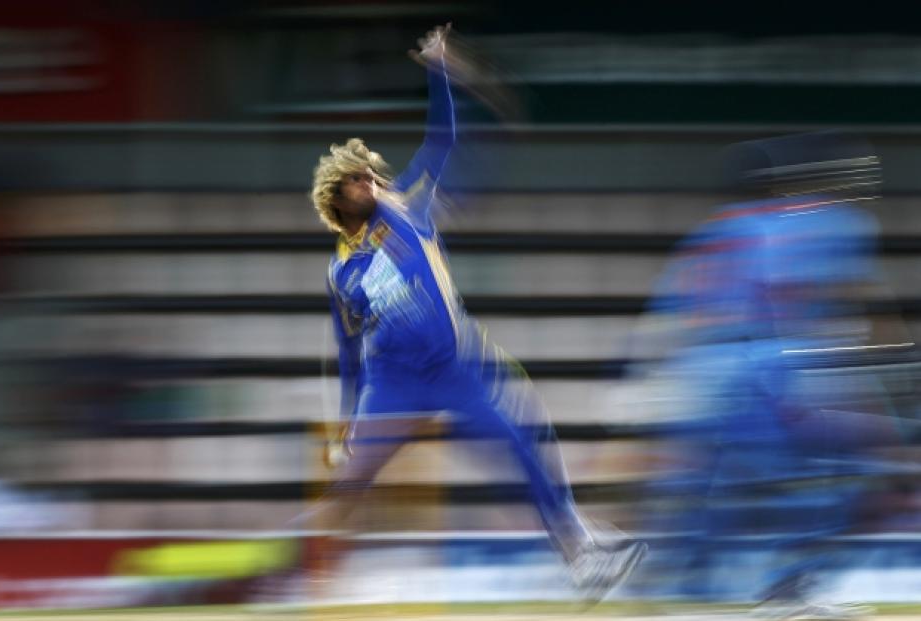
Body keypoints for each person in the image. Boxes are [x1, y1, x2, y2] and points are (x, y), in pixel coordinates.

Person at [296, 23, 646, 603]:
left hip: (456, 367)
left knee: (524, 440)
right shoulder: (341, 272)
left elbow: (445, 141)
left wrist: (439, 69)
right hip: (393, 381)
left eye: (371, 172)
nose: (372, 180)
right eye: (358, 179)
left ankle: (580, 555)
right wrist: (347, 422)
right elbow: (349, 351)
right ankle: (312, 578)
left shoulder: (410, 208)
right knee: (351, 480)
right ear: (338, 199)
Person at [634, 131, 910, 618]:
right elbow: (836, 297)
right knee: (848, 465)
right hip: (765, 365)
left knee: (706, 489)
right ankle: (790, 585)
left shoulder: (709, 234)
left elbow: (672, 317)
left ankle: (675, 592)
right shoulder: (825, 222)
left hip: (697, 369)